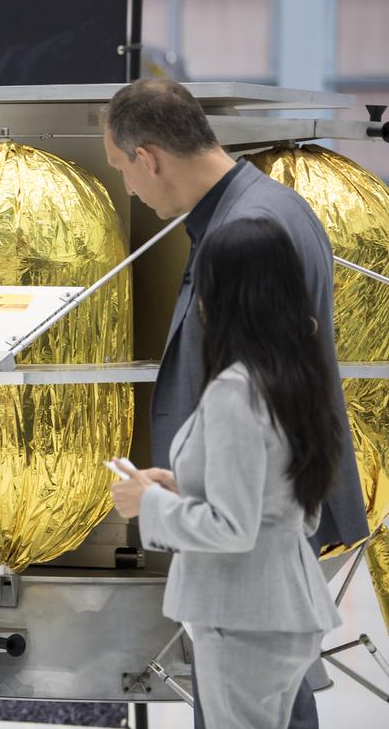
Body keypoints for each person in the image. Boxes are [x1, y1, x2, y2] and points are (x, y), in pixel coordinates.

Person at [102, 78, 367, 729]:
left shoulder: (251, 228)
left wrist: (159, 503)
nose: (130, 190)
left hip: (247, 590)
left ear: (149, 156)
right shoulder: (255, 213)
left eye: (122, 171)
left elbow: (259, 423)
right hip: (266, 572)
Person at [110, 216, 343, 729]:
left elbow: (233, 529)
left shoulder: (236, 392)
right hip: (284, 608)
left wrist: (147, 503)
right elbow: (293, 512)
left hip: (243, 617)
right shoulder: (296, 377)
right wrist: (183, 487)